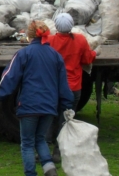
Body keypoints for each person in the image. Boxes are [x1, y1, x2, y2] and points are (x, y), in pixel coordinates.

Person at [0, 21, 74, 176]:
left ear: (29, 35)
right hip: (50, 106)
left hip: (29, 105)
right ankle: (49, 169)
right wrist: (67, 106)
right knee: (40, 139)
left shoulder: (24, 54)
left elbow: (9, 76)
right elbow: (63, 84)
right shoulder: (55, 55)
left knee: (27, 142)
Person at [42, 13, 99, 162]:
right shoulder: (80, 40)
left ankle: (43, 150)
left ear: (56, 26)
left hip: (53, 87)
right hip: (73, 88)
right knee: (66, 119)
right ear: (71, 25)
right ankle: (59, 152)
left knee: (49, 116)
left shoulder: (49, 41)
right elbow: (87, 59)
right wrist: (95, 53)